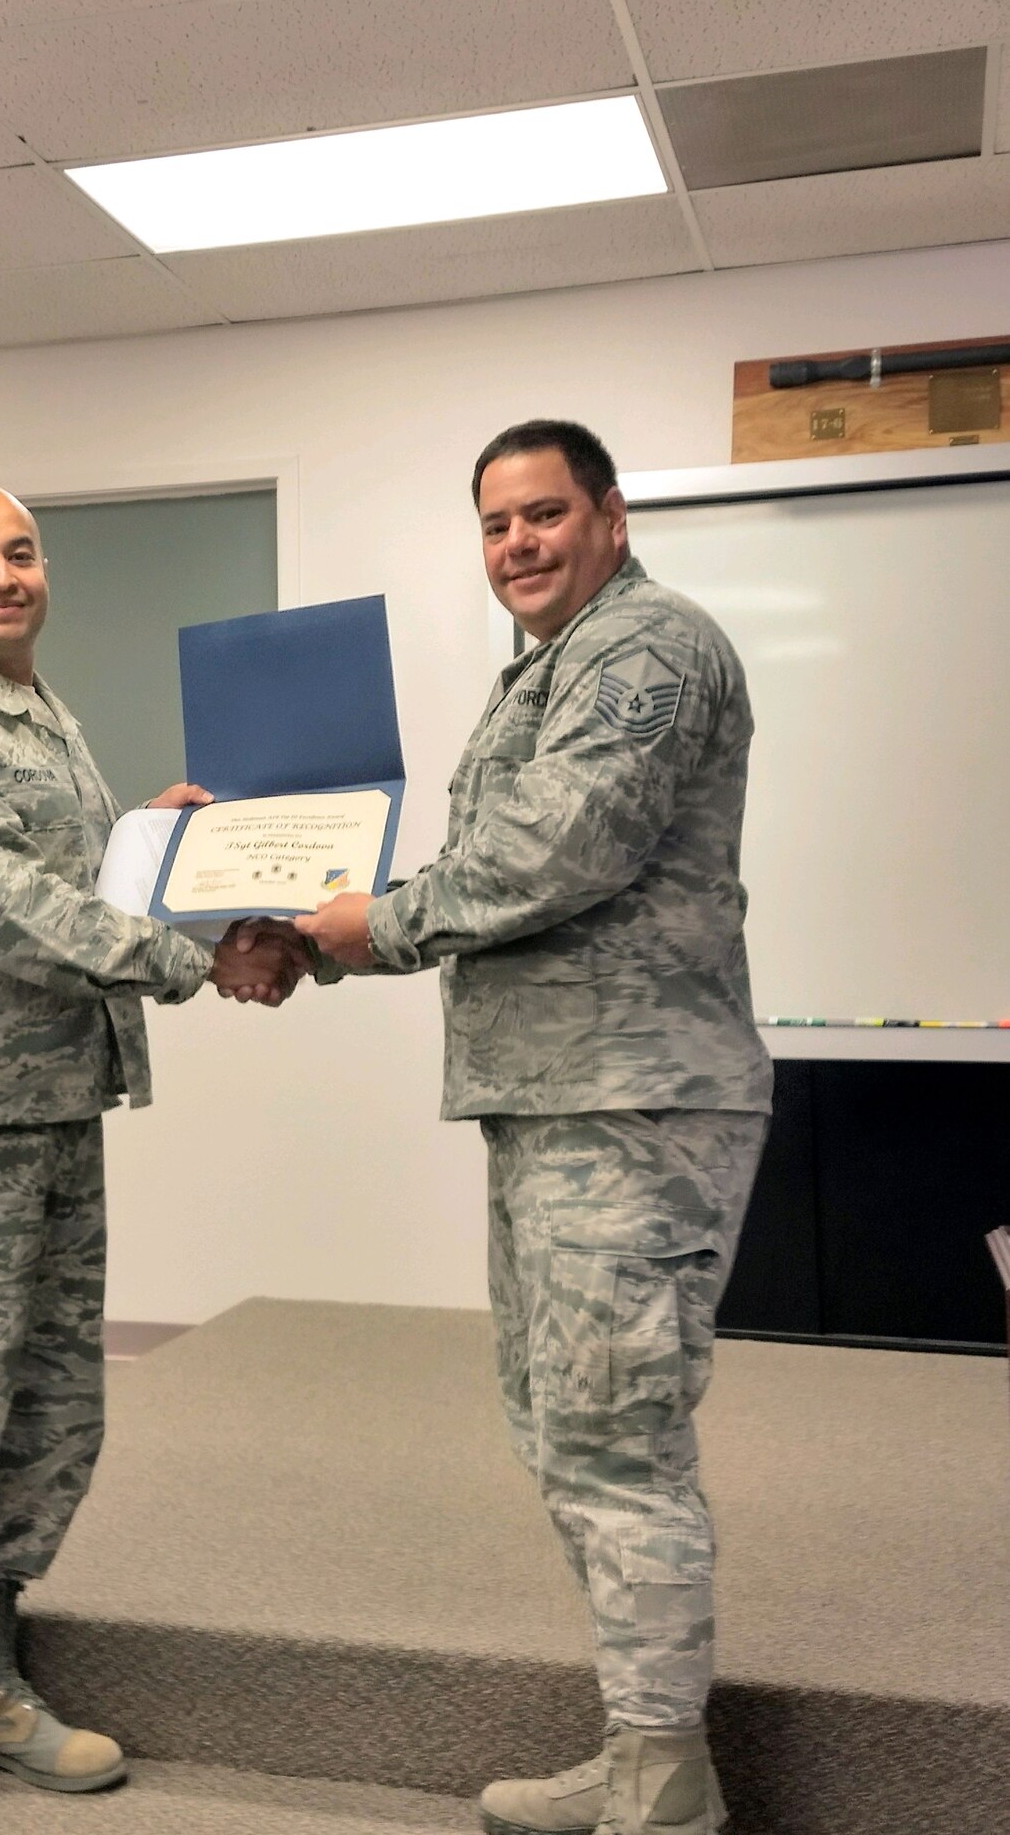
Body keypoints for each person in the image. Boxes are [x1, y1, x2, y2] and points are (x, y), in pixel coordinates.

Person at [296, 421, 773, 1835]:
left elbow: (555, 850)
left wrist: (360, 930)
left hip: (634, 1107)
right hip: (559, 1101)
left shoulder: (650, 652)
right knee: (571, 1430)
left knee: (618, 1442)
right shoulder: (544, 674)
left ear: (611, 516)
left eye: (546, 514)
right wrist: (295, 903)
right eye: (497, 524)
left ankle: (665, 1789)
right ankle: (642, 1751)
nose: (519, 544)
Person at [0, 482, 303, 1835]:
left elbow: (71, 876)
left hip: (49, 1125)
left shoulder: (44, 723)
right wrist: (205, 958)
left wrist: (153, 843)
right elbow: (4, 906)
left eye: (20, 552)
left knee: (43, 1420)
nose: (0, 573)